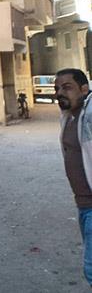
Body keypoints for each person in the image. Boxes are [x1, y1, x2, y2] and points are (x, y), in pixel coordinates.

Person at [56, 68, 92, 286]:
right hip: (83, 204)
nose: (60, 92)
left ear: (84, 89)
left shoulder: (89, 115)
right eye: (57, 88)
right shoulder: (70, 116)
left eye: (67, 87)